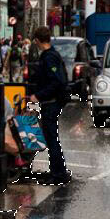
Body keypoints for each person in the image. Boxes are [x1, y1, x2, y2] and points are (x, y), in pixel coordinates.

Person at [28, 26, 71, 185]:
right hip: (51, 101)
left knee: (51, 138)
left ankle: (58, 174)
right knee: (51, 137)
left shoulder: (49, 57)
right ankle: (57, 171)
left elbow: (56, 81)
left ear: (38, 41)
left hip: (51, 102)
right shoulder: (51, 55)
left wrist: (38, 95)